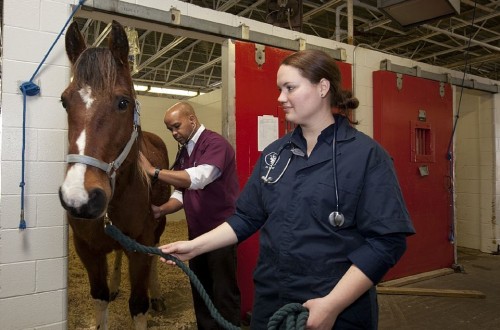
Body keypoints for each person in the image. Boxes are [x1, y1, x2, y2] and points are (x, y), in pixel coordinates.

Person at [159, 50, 416, 330]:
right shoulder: (275, 155)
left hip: (335, 306)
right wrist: (193, 247)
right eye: (280, 89)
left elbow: (387, 242)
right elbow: (246, 217)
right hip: (273, 301)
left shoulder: (366, 155)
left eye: (290, 88)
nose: (280, 98)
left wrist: (332, 305)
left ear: (322, 87)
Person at [140, 102, 241, 329]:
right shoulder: (185, 150)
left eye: (177, 126)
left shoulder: (215, 144)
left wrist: (154, 172)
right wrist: (162, 209)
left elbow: (199, 178)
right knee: (200, 289)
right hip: (196, 234)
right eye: (170, 130)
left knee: (223, 292)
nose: (174, 133)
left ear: (192, 120)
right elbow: (182, 192)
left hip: (221, 232)